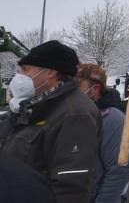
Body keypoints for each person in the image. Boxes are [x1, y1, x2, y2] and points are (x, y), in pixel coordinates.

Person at [0, 40, 101, 202]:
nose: (19, 76)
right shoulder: (33, 106)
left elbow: (71, 187)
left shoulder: (75, 114)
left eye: (25, 70)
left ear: (50, 73)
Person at [76, 63, 129, 203]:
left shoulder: (112, 120)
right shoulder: (78, 115)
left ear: (94, 89)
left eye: (77, 86)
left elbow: (119, 172)